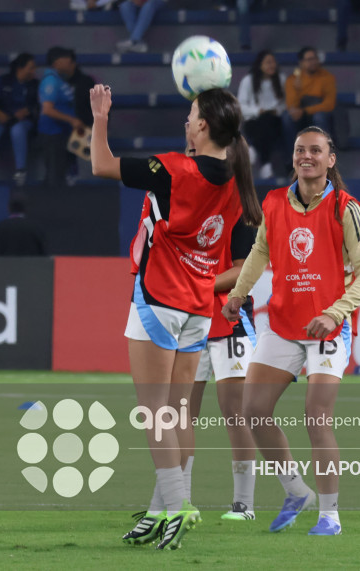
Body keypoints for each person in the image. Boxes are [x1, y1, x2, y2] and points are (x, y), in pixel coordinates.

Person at [90, 83, 262, 549]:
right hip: (198, 308)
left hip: (159, 297)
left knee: (154, 412)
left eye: (191, 115)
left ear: (203, 125)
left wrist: (100, 116)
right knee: (179, 412)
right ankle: (164, 508)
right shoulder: (237, 181)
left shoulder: (173, 169)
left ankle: (179, 504)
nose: (186, 121)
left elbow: (101, 165)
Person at [222, 126, 360, 536]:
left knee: (316, 418)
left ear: (330, 159)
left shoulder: (345, 207)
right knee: (253, 411)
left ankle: (330, 516)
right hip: (283, 325)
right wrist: (238, 293)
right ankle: (295, 490)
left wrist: (335, 313)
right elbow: (260, 251)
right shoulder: (274, 202)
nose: (306, 156)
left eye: (315, 150)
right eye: (299, 150)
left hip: (327, 330)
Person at [188, 215, 259, 521]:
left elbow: (243, 269)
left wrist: (194, 287)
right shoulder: (189, 210)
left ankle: (244, 504)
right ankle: (178, 500)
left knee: (235, 413)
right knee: (181, 413)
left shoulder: (240, 215)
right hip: (189, 318)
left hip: (230, 319)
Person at [0, 55, 39, 186]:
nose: (33, 71)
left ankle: (20, 171)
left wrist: (28, 110)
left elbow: (39, 105)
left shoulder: (35, 84)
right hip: (3, 119)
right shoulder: (3, 81)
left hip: (23, 121)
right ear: (20, 68)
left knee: (17, 130)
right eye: (31, 68)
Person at [39, 47, 86, 188]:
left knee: (60, 172)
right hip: (52, 133)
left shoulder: (59, 79)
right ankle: (50, 201)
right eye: (67, 59)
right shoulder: (51, 81)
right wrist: (72, 120)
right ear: (57, 61)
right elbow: (47, 109)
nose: (70, 61)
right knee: (55, 176)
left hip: (62, 133)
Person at [238, 50, 286, 180]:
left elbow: (285, 103)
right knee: (262, 125)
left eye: (273, 62)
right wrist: (257, 111)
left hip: (275, 120)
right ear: (260, 65)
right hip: (254, 120)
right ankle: (266, 164)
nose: (272, 65)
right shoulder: (248, 81)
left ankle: (254, 150)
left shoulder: (281, 79)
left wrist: (277, 110)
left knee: (269, 122)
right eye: (268, 62)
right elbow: (240, 106)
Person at [284, 47, 337, 149]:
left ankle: (323, 154)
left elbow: (329, 104)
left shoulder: (327, 77)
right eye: (309, 60)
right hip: (301, 115)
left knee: (319, 117)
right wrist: (297, 89)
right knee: (287, 117)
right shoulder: (293, 79)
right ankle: (293, 154)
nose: (313, 62)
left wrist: (306, 111)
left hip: (318, 111)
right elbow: (292, 105)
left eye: (315, 58)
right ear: (301, 63)